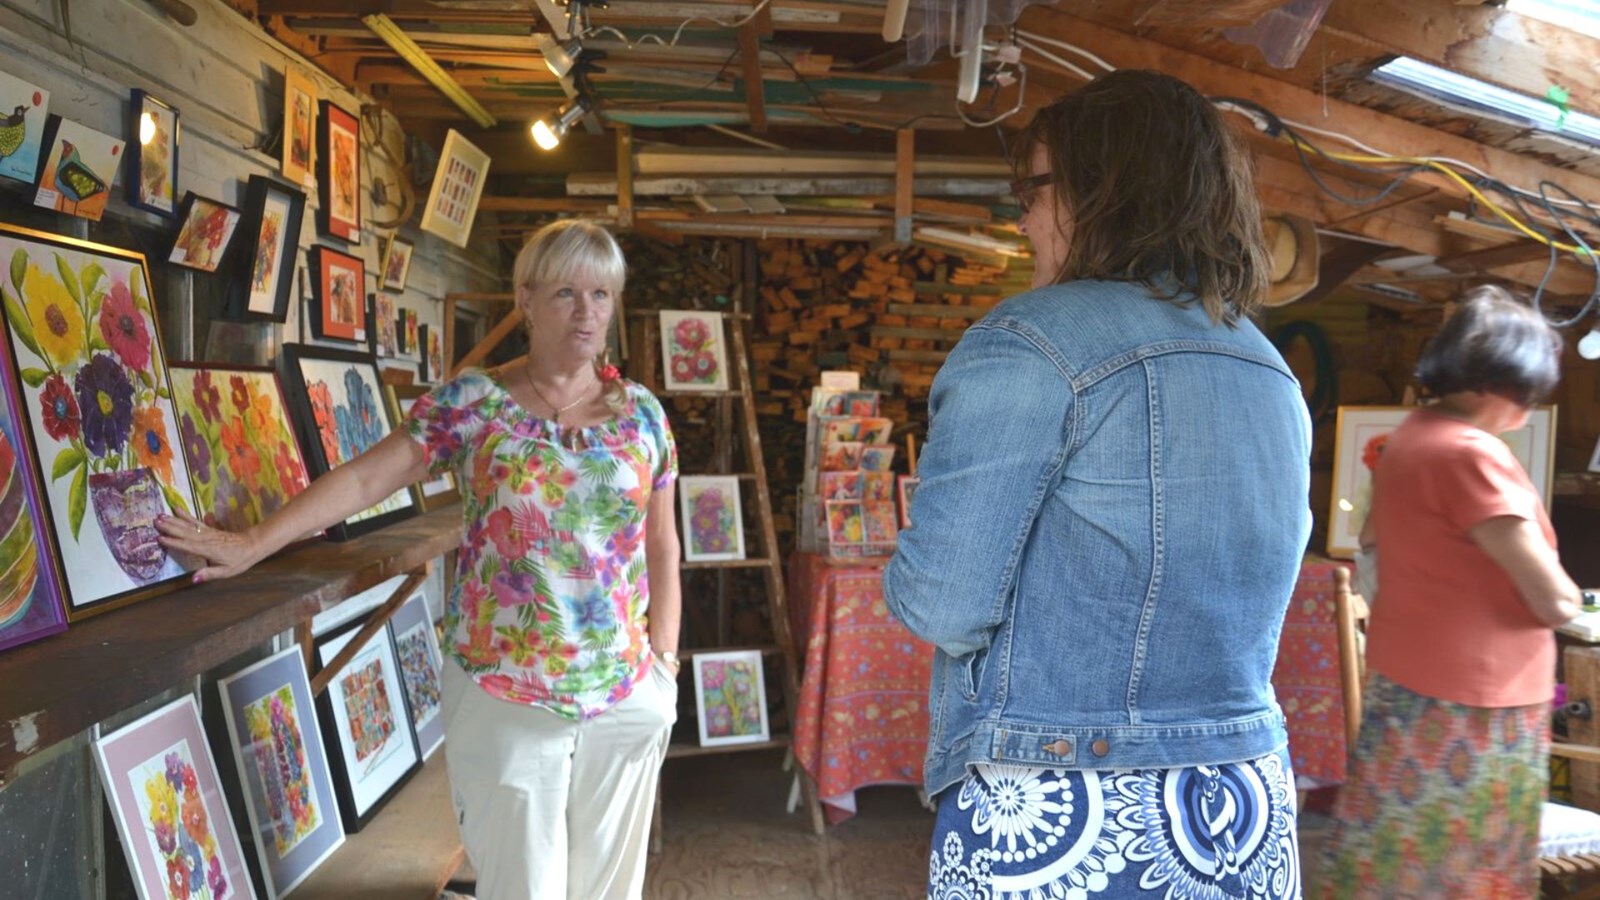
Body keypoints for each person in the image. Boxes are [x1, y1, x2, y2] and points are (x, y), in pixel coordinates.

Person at [157, 219, 683, 900]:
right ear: (525, 299)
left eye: (601, 294)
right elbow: (366, 479)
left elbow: (662, 543)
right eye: (565, 293)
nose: (586, 311)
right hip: (505, 690)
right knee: (524, 889)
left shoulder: (641, 415)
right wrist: (254, 542)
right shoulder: (475, 402)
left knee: (611, 890)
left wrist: (664, 666)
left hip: (623, 688)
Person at [884, 69, 1312, 899]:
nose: (1022, 218)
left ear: (1102, 187)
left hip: (1074, 803)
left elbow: (940, 600)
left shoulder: (1030, 341)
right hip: (1245, 805)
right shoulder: (1268, 367)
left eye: (1033, 190)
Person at [1316, 286, 1581, 898]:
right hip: (1477, 703)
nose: (1531, 405)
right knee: (1462, 867)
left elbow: (1373, 543)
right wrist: (1573, 601)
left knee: (1396, 855)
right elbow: (1551, 599)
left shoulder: (1412, 437)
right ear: (1497, 383)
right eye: (1529, 390)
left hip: (1411, 683)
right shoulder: (1471, 455)